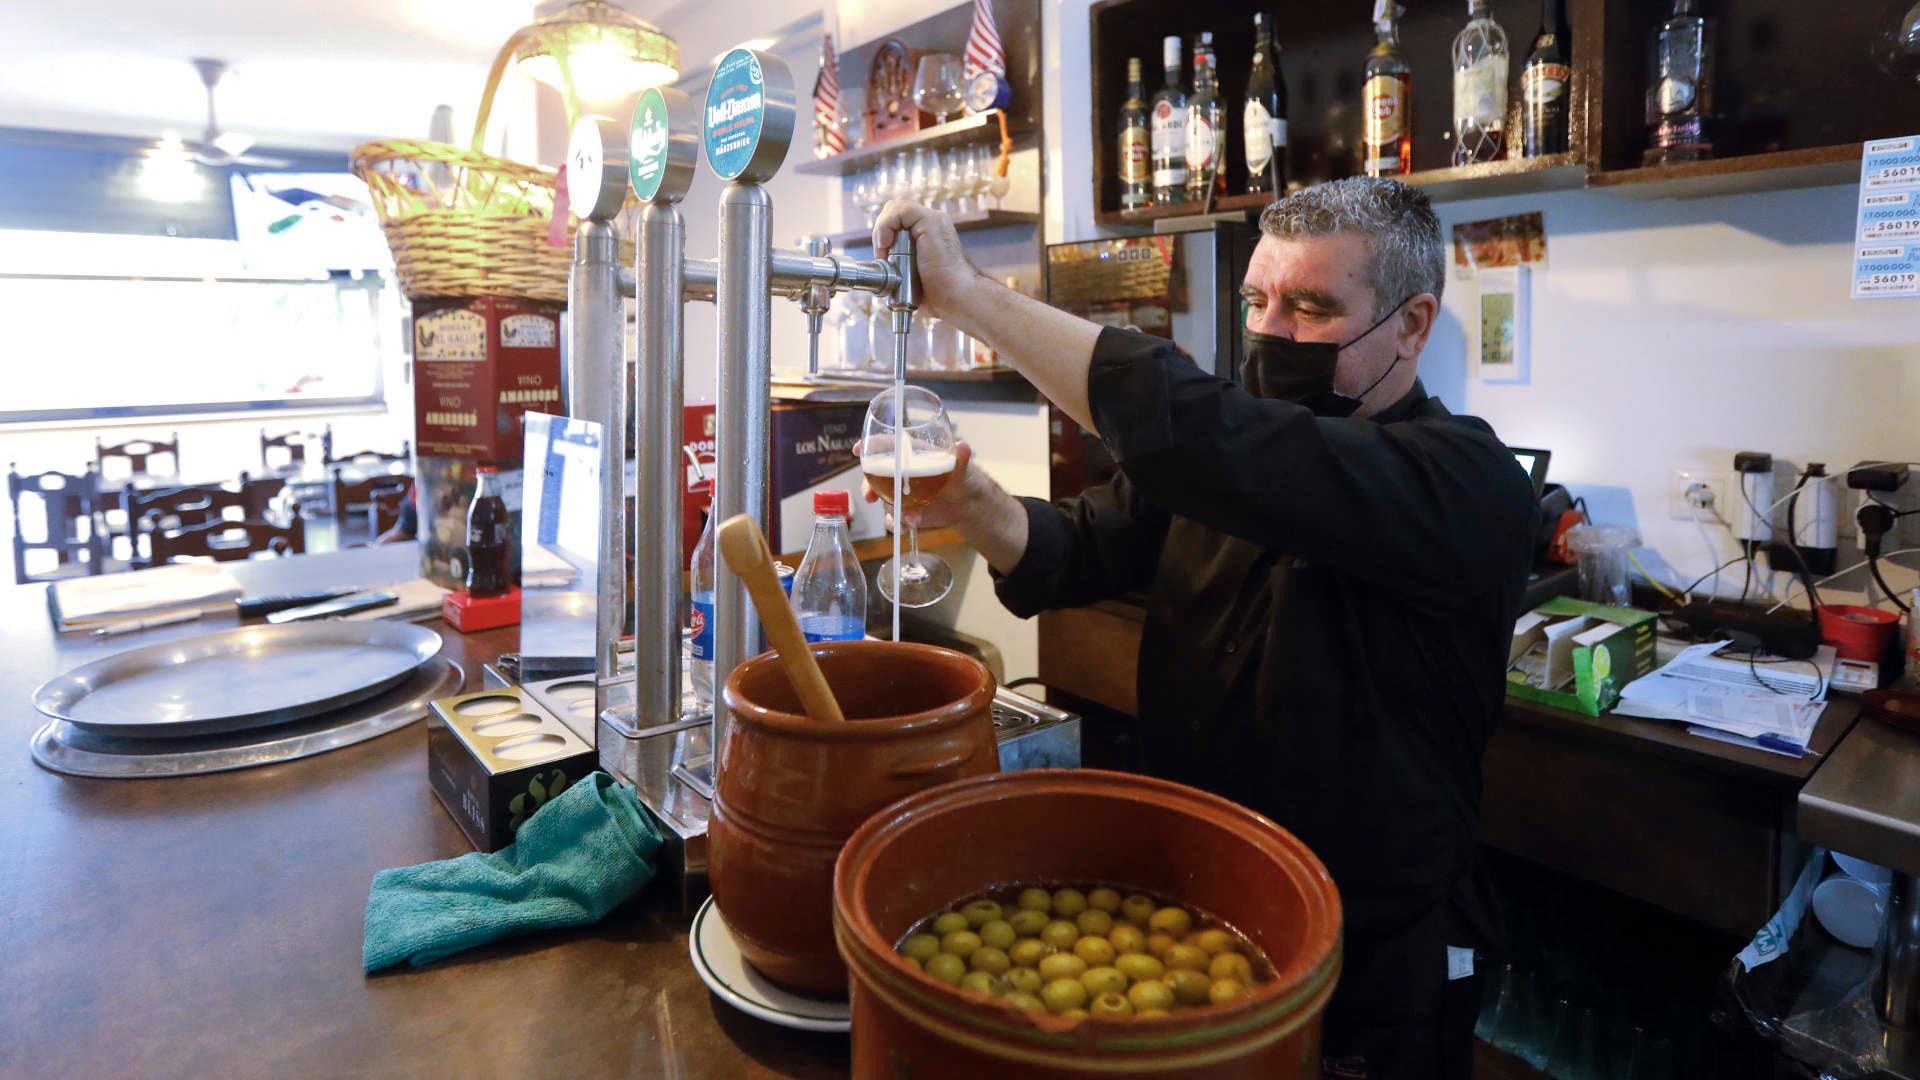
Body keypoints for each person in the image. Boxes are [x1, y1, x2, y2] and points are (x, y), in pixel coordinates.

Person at [867, 177, 1537, 1079]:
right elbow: (1074, 550)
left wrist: (969, 296)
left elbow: (1212, 440)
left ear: (1412, 326)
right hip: (1194, 912)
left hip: (1373, 961)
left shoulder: (1464, 482)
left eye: (1310, 308)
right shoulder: (1228, 464)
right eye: (1258, 300)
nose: (1271, 333)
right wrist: (968, 498)